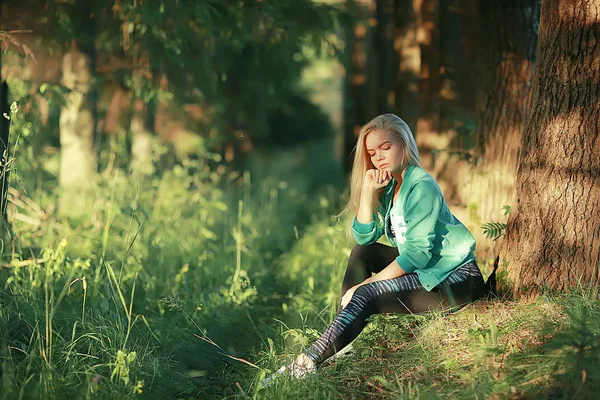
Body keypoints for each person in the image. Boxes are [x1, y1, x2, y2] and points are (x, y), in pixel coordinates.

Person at [261, 113, 490, 386]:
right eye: (372, 152)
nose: (378, 157)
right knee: (363, 252)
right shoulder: (393, 185)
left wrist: (366, 283)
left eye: (386, 147)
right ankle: (340, 338)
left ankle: (307, 362)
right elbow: (365, 235)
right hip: (427, 270)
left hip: (456, 280)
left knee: (368, 291)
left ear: (403, 145)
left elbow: (417, 254)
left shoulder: (421, 187)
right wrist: (368, 192)